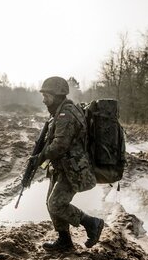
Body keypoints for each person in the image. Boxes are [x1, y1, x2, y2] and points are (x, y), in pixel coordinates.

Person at [32, 76, 104, 251]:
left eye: (46, 96)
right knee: (51, 203)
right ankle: (64, 241)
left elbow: (60, 145)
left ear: (57, 95)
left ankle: (92, 223)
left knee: (55, 203)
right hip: (62, 167)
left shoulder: (66, 114)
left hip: (73, 169)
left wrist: (40, 157)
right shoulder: (59, 112)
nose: (43, 100)